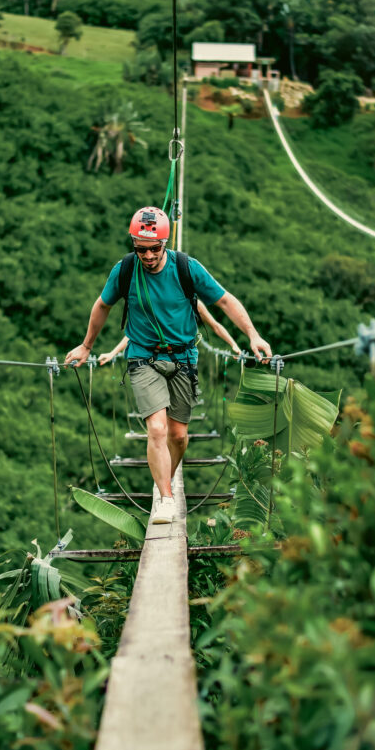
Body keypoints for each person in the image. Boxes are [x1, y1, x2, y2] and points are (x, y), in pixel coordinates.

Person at [64, 206, 272, 525]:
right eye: (141, 249)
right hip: (143, 357)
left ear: (166, 241)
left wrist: (252, 335)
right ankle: (165, 497)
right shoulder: (125, 270)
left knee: (178, 436)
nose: (147, 256)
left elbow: (225, 301)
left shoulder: (187, 268)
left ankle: (164, 476)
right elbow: (103, 304)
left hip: (184, 358)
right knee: (157, 430)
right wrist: (87, 345)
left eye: (154, 248)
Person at [96, 300, 241, 366]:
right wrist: (112, 353)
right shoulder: (157, 303)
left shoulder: (194, 303)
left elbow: (215, 326)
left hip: (184, 358)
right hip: (154, 358)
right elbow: (135, 335)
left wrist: (233, 345)